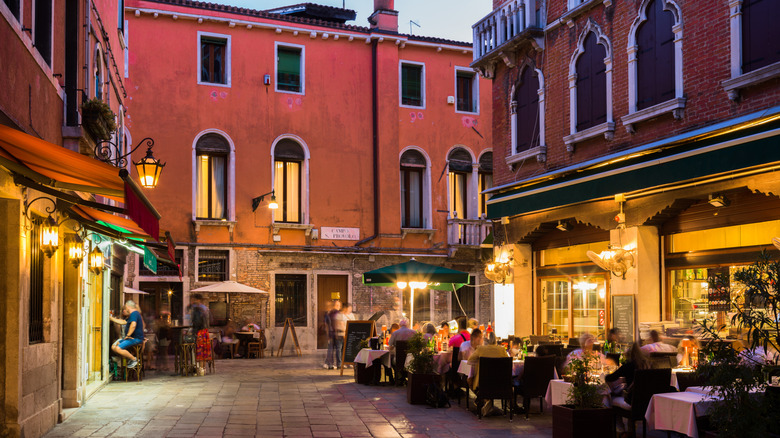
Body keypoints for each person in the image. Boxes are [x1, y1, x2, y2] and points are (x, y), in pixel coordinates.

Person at [467, 334, 510, 417]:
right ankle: (487, 399)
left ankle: (485, 398)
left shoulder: (481, 349)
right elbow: (507, 362)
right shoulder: (502, 349)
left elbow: (470, 361)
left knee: (469, 380)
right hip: (500, 382)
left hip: (484, 382)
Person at [109, 301, 144, 369]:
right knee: (114, 347)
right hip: (132, 338)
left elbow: (133, 325)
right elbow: (123, 322)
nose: (125, 309)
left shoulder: (134, 314)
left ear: (128, 306)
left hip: (135, 338)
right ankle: (126, 360)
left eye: (125, 307)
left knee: (118, 348)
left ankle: (134, 360)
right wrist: (110, 318)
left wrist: (128, 335)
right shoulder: (133, 314)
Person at [189, 294, 211, 373]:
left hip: (200, 332)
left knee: (200, 349)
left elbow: (196, 322)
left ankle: (200, 368)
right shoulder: (205, 308)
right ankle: (203, 368)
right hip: (205, 331)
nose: (193, 301)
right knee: (204, 349)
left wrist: (193, 331)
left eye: (194, 299)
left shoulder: (197, 309)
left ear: (198, 300)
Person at [324, 300, 342, 369]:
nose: (339, 307)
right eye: (338, 305)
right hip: (336, 333)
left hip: (332, 334)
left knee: (332, 350)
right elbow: (338, 324)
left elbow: (327, 326)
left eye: (339, 305)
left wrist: (328, 335)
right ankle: (338, 364)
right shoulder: (338, 313)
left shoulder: (328, 313)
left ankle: (331, 364)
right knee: (337, 349)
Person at [332, 302, 349, 369]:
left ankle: (341, 363)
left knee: (342, 349)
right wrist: (344, 333)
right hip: (340, 334)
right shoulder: (339, 315)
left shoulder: (343, 315)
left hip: (342, 333)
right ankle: (339, 364)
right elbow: (339, 324)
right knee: (339, 349)